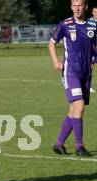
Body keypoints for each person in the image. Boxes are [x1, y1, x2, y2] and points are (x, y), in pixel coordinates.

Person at [49, 0, 94, 157]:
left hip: (86, 73)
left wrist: (93, 61)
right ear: (70, 6)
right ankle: (79, 146)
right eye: (74, 5)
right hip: (71, 72)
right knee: (79, 106)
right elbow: (52, 43)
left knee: (74, 110)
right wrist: (56, 62)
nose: (76, 8)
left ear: (85, 6)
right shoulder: (65, 24)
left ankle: (59, 144)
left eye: (79, 5)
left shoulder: (93, 25)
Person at [88, 5, 97, 93]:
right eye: (95, 12)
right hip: (92, 49)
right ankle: (88, 86)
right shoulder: (89, 22)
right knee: (90, 67)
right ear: (92, 12)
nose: (96, 14)